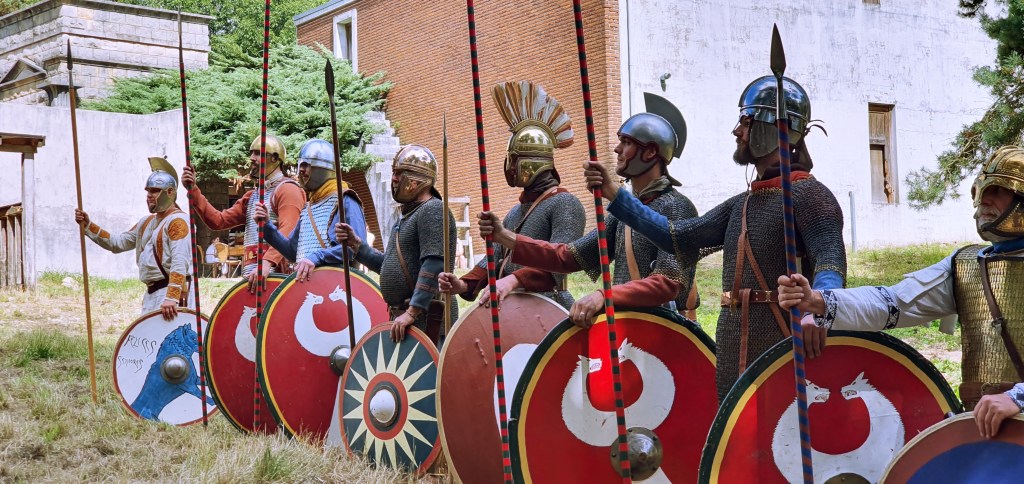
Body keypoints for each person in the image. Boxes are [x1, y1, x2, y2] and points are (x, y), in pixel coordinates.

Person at [585, 76, 847, 401]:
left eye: (746, 122)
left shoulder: (810, 196)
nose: (737, 131)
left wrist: (818, 310)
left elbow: (830, 262)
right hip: (734, 343)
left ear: (769, 128)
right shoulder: (743, 203)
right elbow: (675, 236)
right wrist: (613, 192)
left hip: (784, 343)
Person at [778, 145, 1024, 438]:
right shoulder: (966, 265)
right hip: (986, 427)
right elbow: (893, 304)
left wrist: (1017, 398)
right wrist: (817, 301)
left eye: (997, 190)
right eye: (980, 190)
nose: (983, 200)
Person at [478, 93, 699, 324]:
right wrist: (507, 237)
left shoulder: (677, 207)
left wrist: (603, 295)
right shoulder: (621, 215)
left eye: (626, 142)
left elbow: (667, 283)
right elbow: (568, 256)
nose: (617, 149)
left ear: (651, 152)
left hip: (667, 331)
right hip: (631, 327)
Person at [439, 81, 585, 309]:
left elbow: (560, 262)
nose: (509, 166)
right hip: (513, 309)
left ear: (529, 162)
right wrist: (464, 284)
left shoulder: (565, 204)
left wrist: (515, 279)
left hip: (548, 307)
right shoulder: (517, 211)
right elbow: (495, 258)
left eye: (513, 160)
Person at [334, 145, 457, 344]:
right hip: (407, 320)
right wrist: (357, 245)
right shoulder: (408, 215)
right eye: (393, 173)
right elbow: (390, 265)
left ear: (417, 178)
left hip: (427, 321)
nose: (394, 179)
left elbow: (434, 265)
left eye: (400, 174)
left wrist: (412, 312)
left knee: (429, 375)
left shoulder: (433, 209)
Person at [180, 134, 305, 291]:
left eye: (258, 153)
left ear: (274, 158)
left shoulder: (288, 190)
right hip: (252, 274)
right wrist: (193, 189)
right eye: (252, 152)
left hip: (278, 274)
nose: (252, 158)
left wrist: (266, 262)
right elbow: (218, 221)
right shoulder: (252, 196)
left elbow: (288, 230)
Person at [74, 157, 193, 320]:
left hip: (171, 296)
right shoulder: (146, 222)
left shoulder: (178, 221)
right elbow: (117, 243)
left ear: (170, 192)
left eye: (155, 190)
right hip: (152, 294)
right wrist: (88, 225)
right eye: (148, 191)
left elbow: (180, 261)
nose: (149, 195)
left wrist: (172, 297)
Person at [254, 139, 366, 282]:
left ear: (322, 169)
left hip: (338, 288)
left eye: (307, 165)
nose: (301, 170)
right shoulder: (309, 208)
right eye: (301, 164)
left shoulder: (346, 201)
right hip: (310, 288)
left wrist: (317, 256)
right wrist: (266, 226)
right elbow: (293, 252)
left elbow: (355, 248)